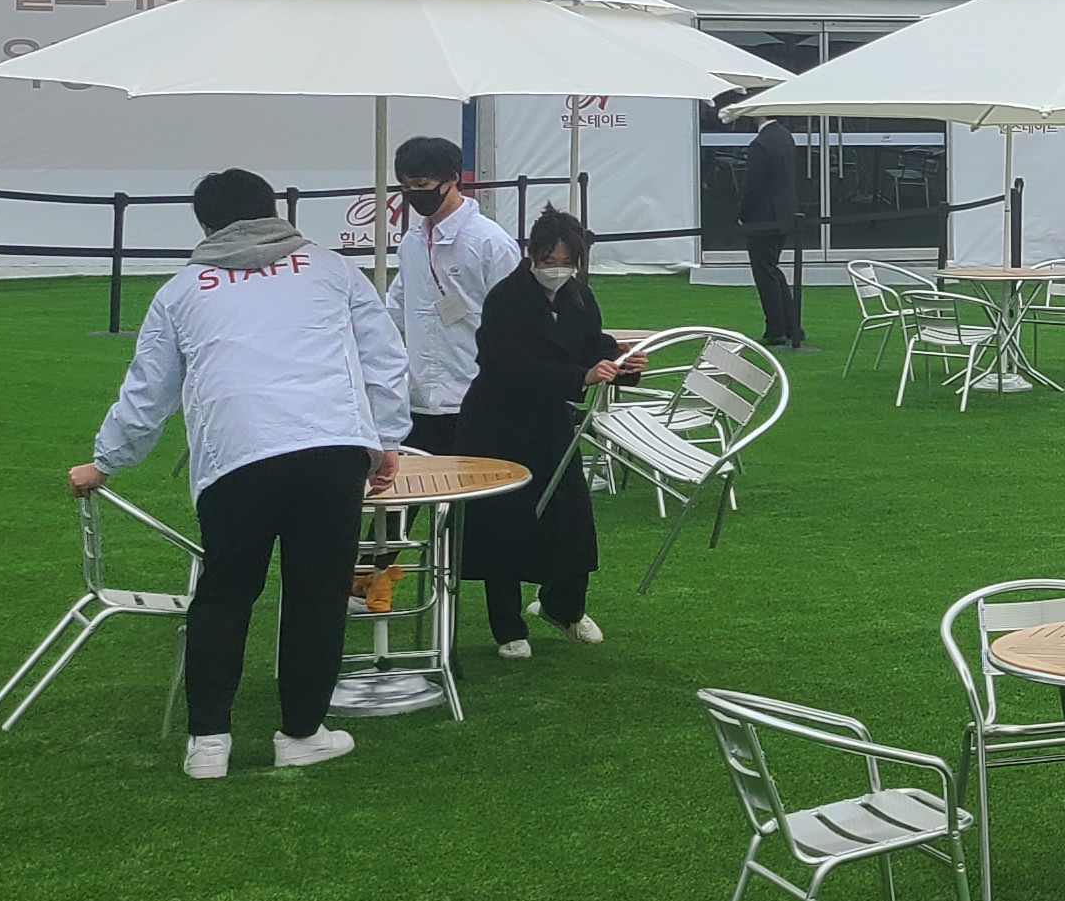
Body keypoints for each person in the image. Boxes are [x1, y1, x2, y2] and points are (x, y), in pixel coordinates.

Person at [71, 166, 407, 781]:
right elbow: (384, 359)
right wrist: (387, 441)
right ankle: (301, 734)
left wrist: (106, 460)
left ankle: (209, 743)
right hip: (329, 447)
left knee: (225, 592)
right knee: (316, 594)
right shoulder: (332, 270)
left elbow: (148, 391)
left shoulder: (181, 291)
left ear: (205, 225)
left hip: (235, 454)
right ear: (275, 210)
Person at [455, 207, 640, 657]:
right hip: (497, 425)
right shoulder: (506, 299)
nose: (556, 270)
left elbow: (591, 344)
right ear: (533, 254)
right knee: (503, 524)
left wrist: (622, 362)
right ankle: (508, 628)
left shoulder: (579, 296)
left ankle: (563, 607)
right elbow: (507, 365)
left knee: (570, 519)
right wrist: (579, 377)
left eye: (566, 262)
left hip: (551, 425)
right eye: (549, 260)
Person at [387, 133, 520, 456]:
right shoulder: (412, 243)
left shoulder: (490, 243)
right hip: (418, 398)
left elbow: (518, 321)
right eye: (406, 187)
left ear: (452, 179)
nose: (414, 195)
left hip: (476, 396)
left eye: (422, 185)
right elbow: (395, 308)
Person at [736, 113, 807, 349]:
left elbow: (752, 185)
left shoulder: (760, 143)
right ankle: (791, 326)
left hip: (764, 217)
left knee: (765, 273)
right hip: (785, 212)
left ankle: (776, 329)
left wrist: (743, 213)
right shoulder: (784, 136)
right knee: (772, 269)